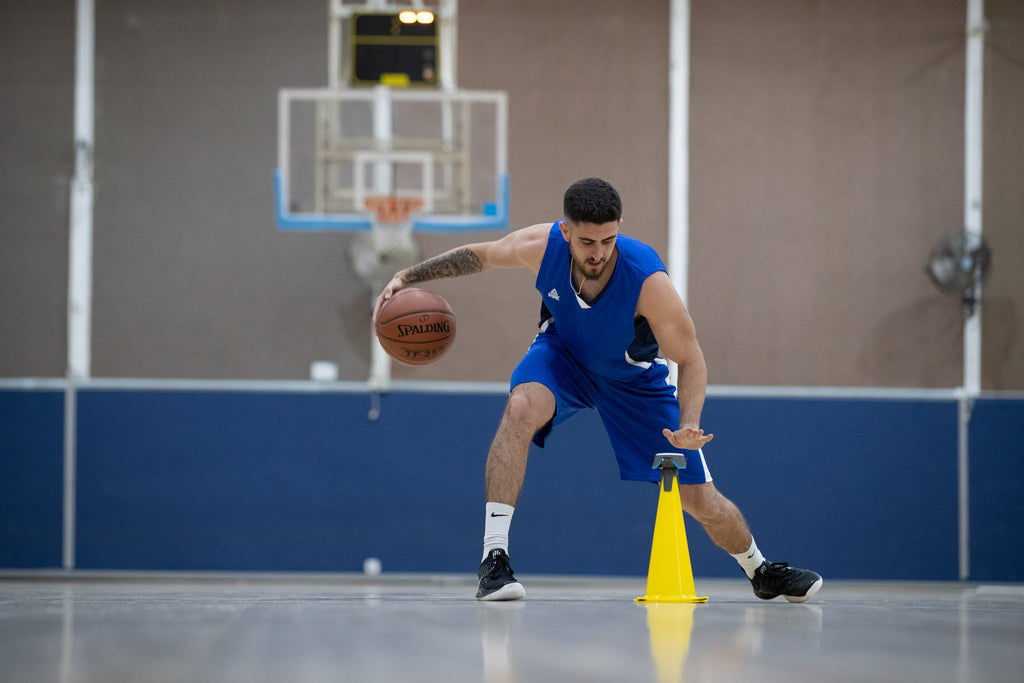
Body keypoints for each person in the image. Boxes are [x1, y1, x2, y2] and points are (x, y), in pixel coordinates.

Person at [374, 177, 822, 603]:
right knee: (520, 408)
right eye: (587, 241)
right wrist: (408, 277)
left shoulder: (647, 279)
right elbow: (483, 255)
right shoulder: (541, 245)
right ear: (566, 230)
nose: (598, 252)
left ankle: (759, 570)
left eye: (608, 240)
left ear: (618, 231)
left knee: (698, 498)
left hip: (634, 382)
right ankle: (495, 559)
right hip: (563, 356)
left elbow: (691, 358)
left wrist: (689, 424)